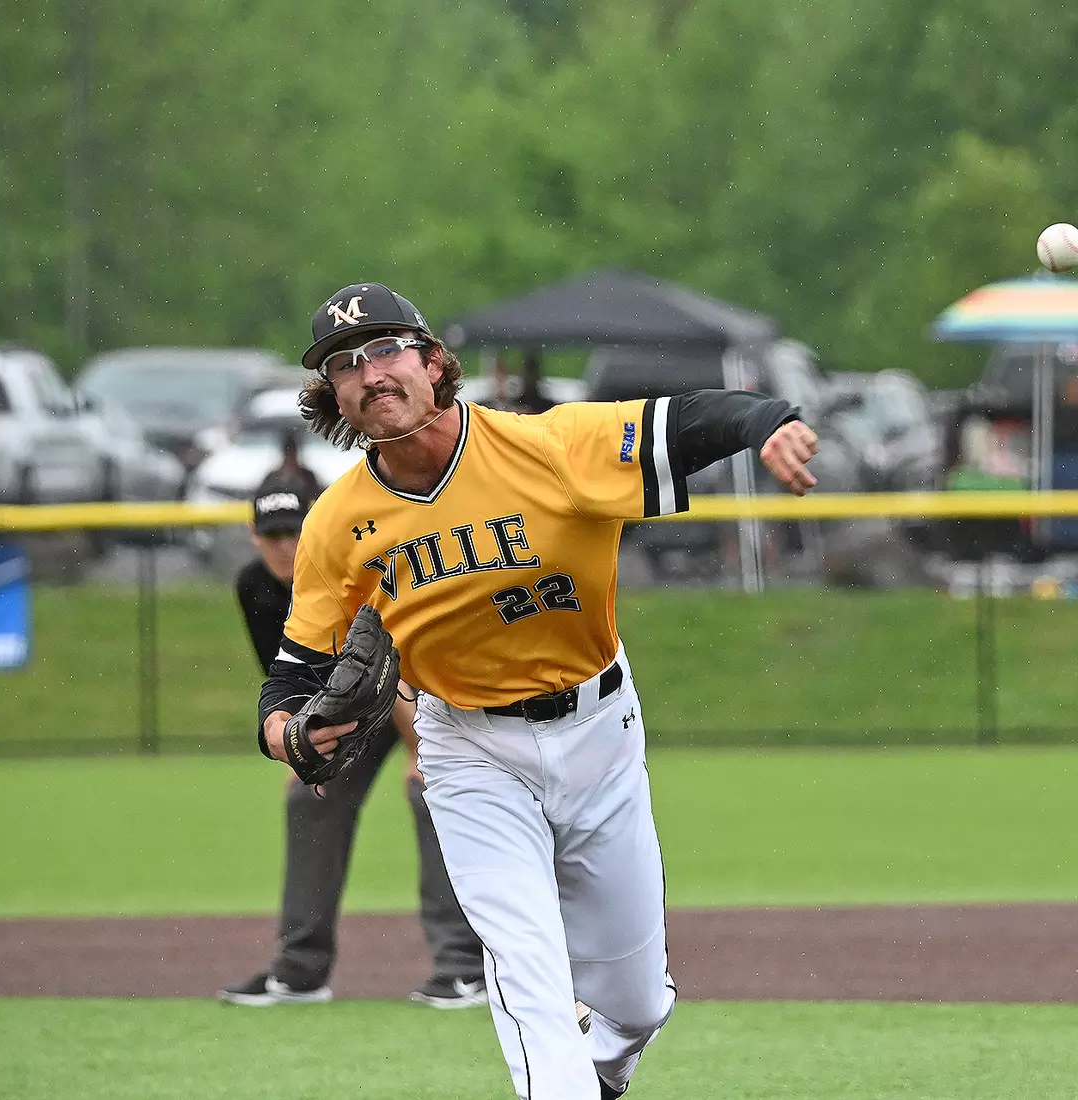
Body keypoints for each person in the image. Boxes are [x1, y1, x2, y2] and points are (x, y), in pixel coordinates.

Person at [255, 282, 819, 1100]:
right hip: (471, 750)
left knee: (635, 1003)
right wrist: (289, 733)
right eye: (344, 364)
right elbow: (292, 681)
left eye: (385, 349)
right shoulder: (338, 523)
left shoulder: (550, 445)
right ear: (331, 394)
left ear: (433, 362)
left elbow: (689, 418)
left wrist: (768, 422)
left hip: (599, 730)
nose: (369, 372)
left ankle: (604, 1073)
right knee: (527, 969)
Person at [219, 470, 486, 1008]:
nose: (285, 547)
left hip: (420, 688)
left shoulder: (364, 562)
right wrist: (303, 748)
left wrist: (420, 749)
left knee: (429, 794)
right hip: (347, 705)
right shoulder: (256, 587)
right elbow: (290, 677)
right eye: (272, 535)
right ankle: (299, 971)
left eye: (296, 532)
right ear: (254, 537)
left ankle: (463, 968)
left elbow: (410, 658)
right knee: (308, 799)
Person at [271, 430, 323, 501]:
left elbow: (316, 498)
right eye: (289, 455)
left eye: (292, 454)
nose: (291, 459)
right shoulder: (272, 477)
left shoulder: (307, 476)